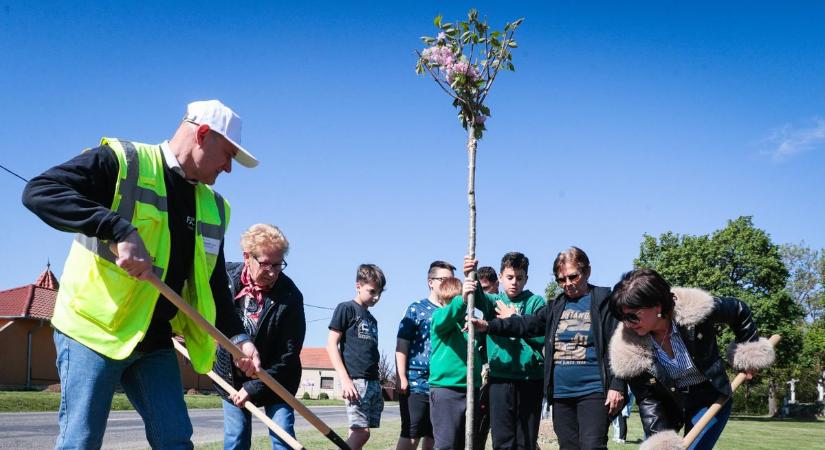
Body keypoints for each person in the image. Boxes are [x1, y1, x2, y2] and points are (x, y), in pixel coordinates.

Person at [22, 99, 262, 449]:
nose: (228, 168)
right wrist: (118, 229)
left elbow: (213, 286)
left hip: (152, 340)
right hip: (93, 331)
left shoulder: (214, 207)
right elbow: (40, 192)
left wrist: (240, 339)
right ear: (203, 135)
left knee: (175, 440)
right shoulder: (125, 162)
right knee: (81, 441)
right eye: (227, 155)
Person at [469, 247, 626, 450]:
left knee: (592, 446)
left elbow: (620, 343)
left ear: (587, 272)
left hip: (593, 390)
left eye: (573, 276)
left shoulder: (604, 301)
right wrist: (489, 325)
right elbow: (526, 325)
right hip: (561, 393)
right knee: (568, 446)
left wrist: (618, 384)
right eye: (561, 279)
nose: (568, 284)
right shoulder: (556, 306)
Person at [608, 269, 775, 450]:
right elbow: (648, 400)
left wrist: (749, 352)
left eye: (632, 315)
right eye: (621, 317)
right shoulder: (628, 351)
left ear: (657, 305)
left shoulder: (696, 313)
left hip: (709, 398)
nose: (627, 323)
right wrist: (659, 441)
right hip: (666, 407)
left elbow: (738, 310)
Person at [213, 224, 306, 450]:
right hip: (232, 378)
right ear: (247, 257)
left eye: (278, 265)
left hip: (277, 379)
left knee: (283, 438)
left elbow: (289, 355)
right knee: (236, 440)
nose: (273, 272)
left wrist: (254, 387)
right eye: (266, 264)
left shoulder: (290, 297)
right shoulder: (223, 281)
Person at [463, 252, 547, 450]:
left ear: (526, 278)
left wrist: (515, 319)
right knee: (502, 441)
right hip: (500, 377)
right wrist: (470, 273)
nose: (514, 283)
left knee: (525, 441)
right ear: (500, 277)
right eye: (509, 277)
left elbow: (541, 337)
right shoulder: (493, 302)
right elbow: (477, 296)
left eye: (519, 278)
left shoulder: (537, 303)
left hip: (530, 379)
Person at [395, 260, 456, 450]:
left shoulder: (453, 311)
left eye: (451, 280)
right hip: (416, 383)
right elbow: (402, 343)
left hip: (442, 384)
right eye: (443, 279)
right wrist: (401, 376)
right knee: (412, 435)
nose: (448, 284)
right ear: (430, 281)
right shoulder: (416, 309)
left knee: (433, 438)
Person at [327, 264, 386, 450]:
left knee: (355, 432)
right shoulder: (346, 308)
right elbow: (331, 345)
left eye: (380, 293)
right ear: (358, 286)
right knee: (362, 433)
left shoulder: (372, 319)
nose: (376, 297)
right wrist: (345, 380)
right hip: (355, 381)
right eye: (372, 291)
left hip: (373, 381)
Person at [428, 277, 483, 450]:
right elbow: (450, 314)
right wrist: (462, 301)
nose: (456, 305)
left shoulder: (469, 325)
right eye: (451, 301)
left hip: (470, 390)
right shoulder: (439, 317)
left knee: (466, 443)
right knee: (446, 445)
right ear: (442, 301)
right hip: (446, 390)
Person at [475, 264, 498, 449]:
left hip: (501, 372)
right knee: (478, 429)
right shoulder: (478, 313)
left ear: (496, 285)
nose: (482, 295)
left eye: (486, 289)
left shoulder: (498, 305)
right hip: (482, 375)